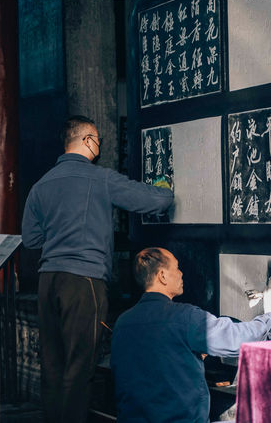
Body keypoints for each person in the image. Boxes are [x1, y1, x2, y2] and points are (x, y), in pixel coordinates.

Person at [21, 116, 174, 423]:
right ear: (88, 141)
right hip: (84, 282)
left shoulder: (41, 185)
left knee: (53, 366)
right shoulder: (99, 178)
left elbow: (31, 238)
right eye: (99, 141)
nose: (99, 147)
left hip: (48, 281)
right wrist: (164, 188)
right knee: (80, 369)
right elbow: (156, 201)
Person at [110, 247, 271, 423]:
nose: (181, 274)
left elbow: (152, 366)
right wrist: (270, 314)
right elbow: (237, 339)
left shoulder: (122, 323)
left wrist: (189, 358)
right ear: (162, 276)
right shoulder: (183, 317)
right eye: (176, 268)